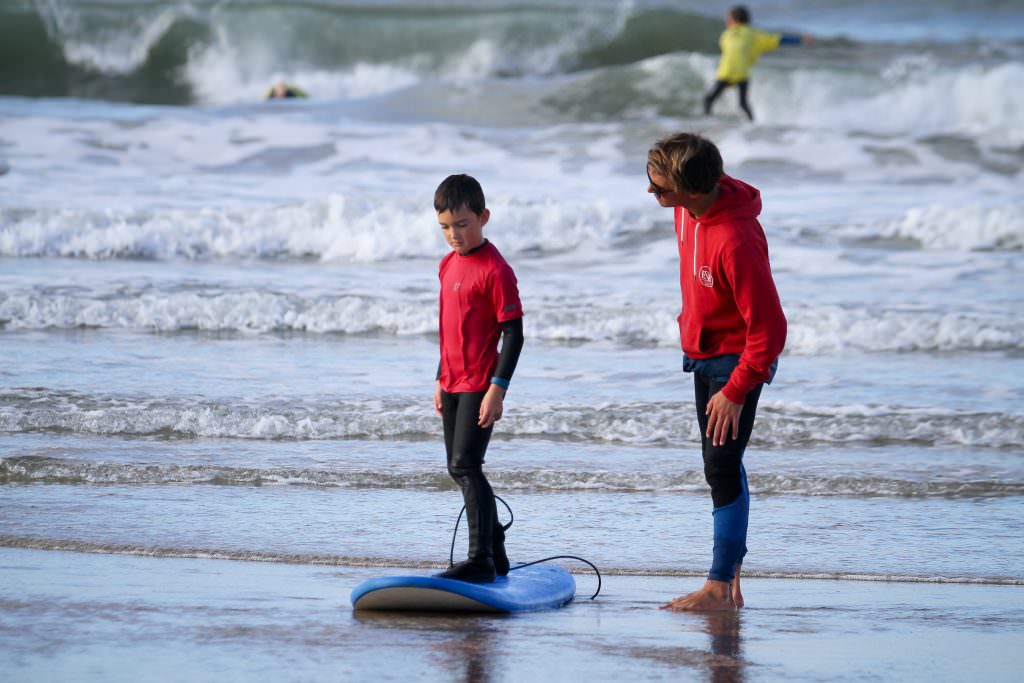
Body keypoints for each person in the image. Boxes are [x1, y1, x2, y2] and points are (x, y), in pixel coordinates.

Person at [646, 132, 787, 610]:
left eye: (662, 189)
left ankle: (718, 585)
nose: (653, 194)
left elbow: (769, 329)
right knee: (725, 464)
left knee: (720, 466)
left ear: (693, 188)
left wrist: (737, 389)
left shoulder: (735, 238)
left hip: (735, 361)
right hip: (703, 356)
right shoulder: (688, 210)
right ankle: (732, 586)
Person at [433, 174, 525, 583]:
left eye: (463, 225)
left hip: (479, 383)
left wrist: (497, 389)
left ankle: (480, 558)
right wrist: (439, 377)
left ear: (484, 217)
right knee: (460, 468)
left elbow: (514, 333)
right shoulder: (448, 264)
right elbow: (448, 326)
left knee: (466, 465)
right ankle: (497, 550)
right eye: (446, 227)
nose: (454, 235)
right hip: (451, 381)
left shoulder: (496, 270)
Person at [703, 5, 812, 121]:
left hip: (725, 72)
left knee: (708, 99)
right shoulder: (754, 34)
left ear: (733, 20)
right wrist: (799, 39)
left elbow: (727, 49)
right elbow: (778, 39)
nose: (727, 21)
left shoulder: (726, 35)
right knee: (743, 104)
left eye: (728, 18)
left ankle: (707, 123)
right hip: (742, 74)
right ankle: (752, 124)